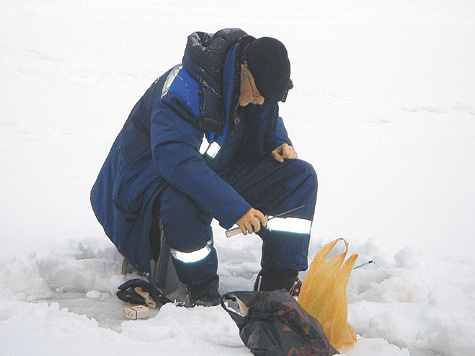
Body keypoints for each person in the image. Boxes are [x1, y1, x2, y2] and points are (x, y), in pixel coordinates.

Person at [90, 28, 317, 307]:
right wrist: (237, 209)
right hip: (144, 187)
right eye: (258, 94)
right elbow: (177, 163)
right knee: (183, 198)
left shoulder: (246, 83)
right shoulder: (183, 90)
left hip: (210, 166)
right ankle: (202, 287)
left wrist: (276, 140)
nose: (260, 101)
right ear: (243, 69)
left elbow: (264, 114)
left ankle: (278, 282)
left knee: (299, 178)